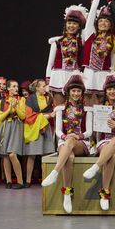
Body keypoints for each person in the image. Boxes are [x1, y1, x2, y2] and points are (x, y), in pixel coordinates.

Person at [82, 75, 115, 211]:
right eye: (110, 89)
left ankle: (96, 166)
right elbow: (97, 135)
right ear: (105, 91)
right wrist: (96, 126)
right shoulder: (100, 109)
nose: (112, 92)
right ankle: (105, 194)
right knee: (112, 156)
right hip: (104, 141)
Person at [42, 74, 92, 214]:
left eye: (78, 91)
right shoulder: (60, 109)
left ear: (82, 93)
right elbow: (58, 130)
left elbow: (89, 131)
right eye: (73, 91)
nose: (76, 93)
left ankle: (55, 172)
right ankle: (67, 194)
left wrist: (77, 136)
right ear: (69, 92)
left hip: (81, 143)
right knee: (69, 157)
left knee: (70, 142)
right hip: (65, 142)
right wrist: (65, 136)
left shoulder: (87, 109)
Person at [82, 0, 115, 104]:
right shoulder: (90, 34)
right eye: (101, 21)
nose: (103, 23)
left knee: (102, 106)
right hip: (89, 75)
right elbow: (91, 14)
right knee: (88, 106)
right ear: (97, 23)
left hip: (103, 75)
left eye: (106, 21)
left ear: (110, 25)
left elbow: (114, 61)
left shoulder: (113, 39)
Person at [46, 4, 88, 106]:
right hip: (58, 77)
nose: (71, 26)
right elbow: (50, 63)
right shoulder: (57, 41)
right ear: (65, 25)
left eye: (74, 23)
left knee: (75, 108)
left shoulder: (81, 42)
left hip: (74, 77)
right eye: (69, 23)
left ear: (79, 26)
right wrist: (48, 80)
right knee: (59, 109)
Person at [0, 80, 27, 189]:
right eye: (13, 86)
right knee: (5, 155)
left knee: (12, 154)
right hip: (6, 126)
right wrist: (9, 109)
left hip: (16, 126)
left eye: (16, 86)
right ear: (8, 88)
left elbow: (23, 116)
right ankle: (8, 181)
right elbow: (0, 117)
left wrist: (16, 106)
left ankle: (20, 181)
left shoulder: (21, 99)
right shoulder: (2, 101)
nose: (16, 88)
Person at [23, 78, 55, 185]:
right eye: (43, 86)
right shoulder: (30, 99)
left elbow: (53, 111)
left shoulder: (49, 98)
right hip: (34, 128)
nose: (45, 88)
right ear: (37, 88)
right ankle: (28, 180)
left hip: (46, 127)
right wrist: (47, 116)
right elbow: (29, 115)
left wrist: (49, 115)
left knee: (46, 155)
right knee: (32, 155)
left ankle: (46, 179)